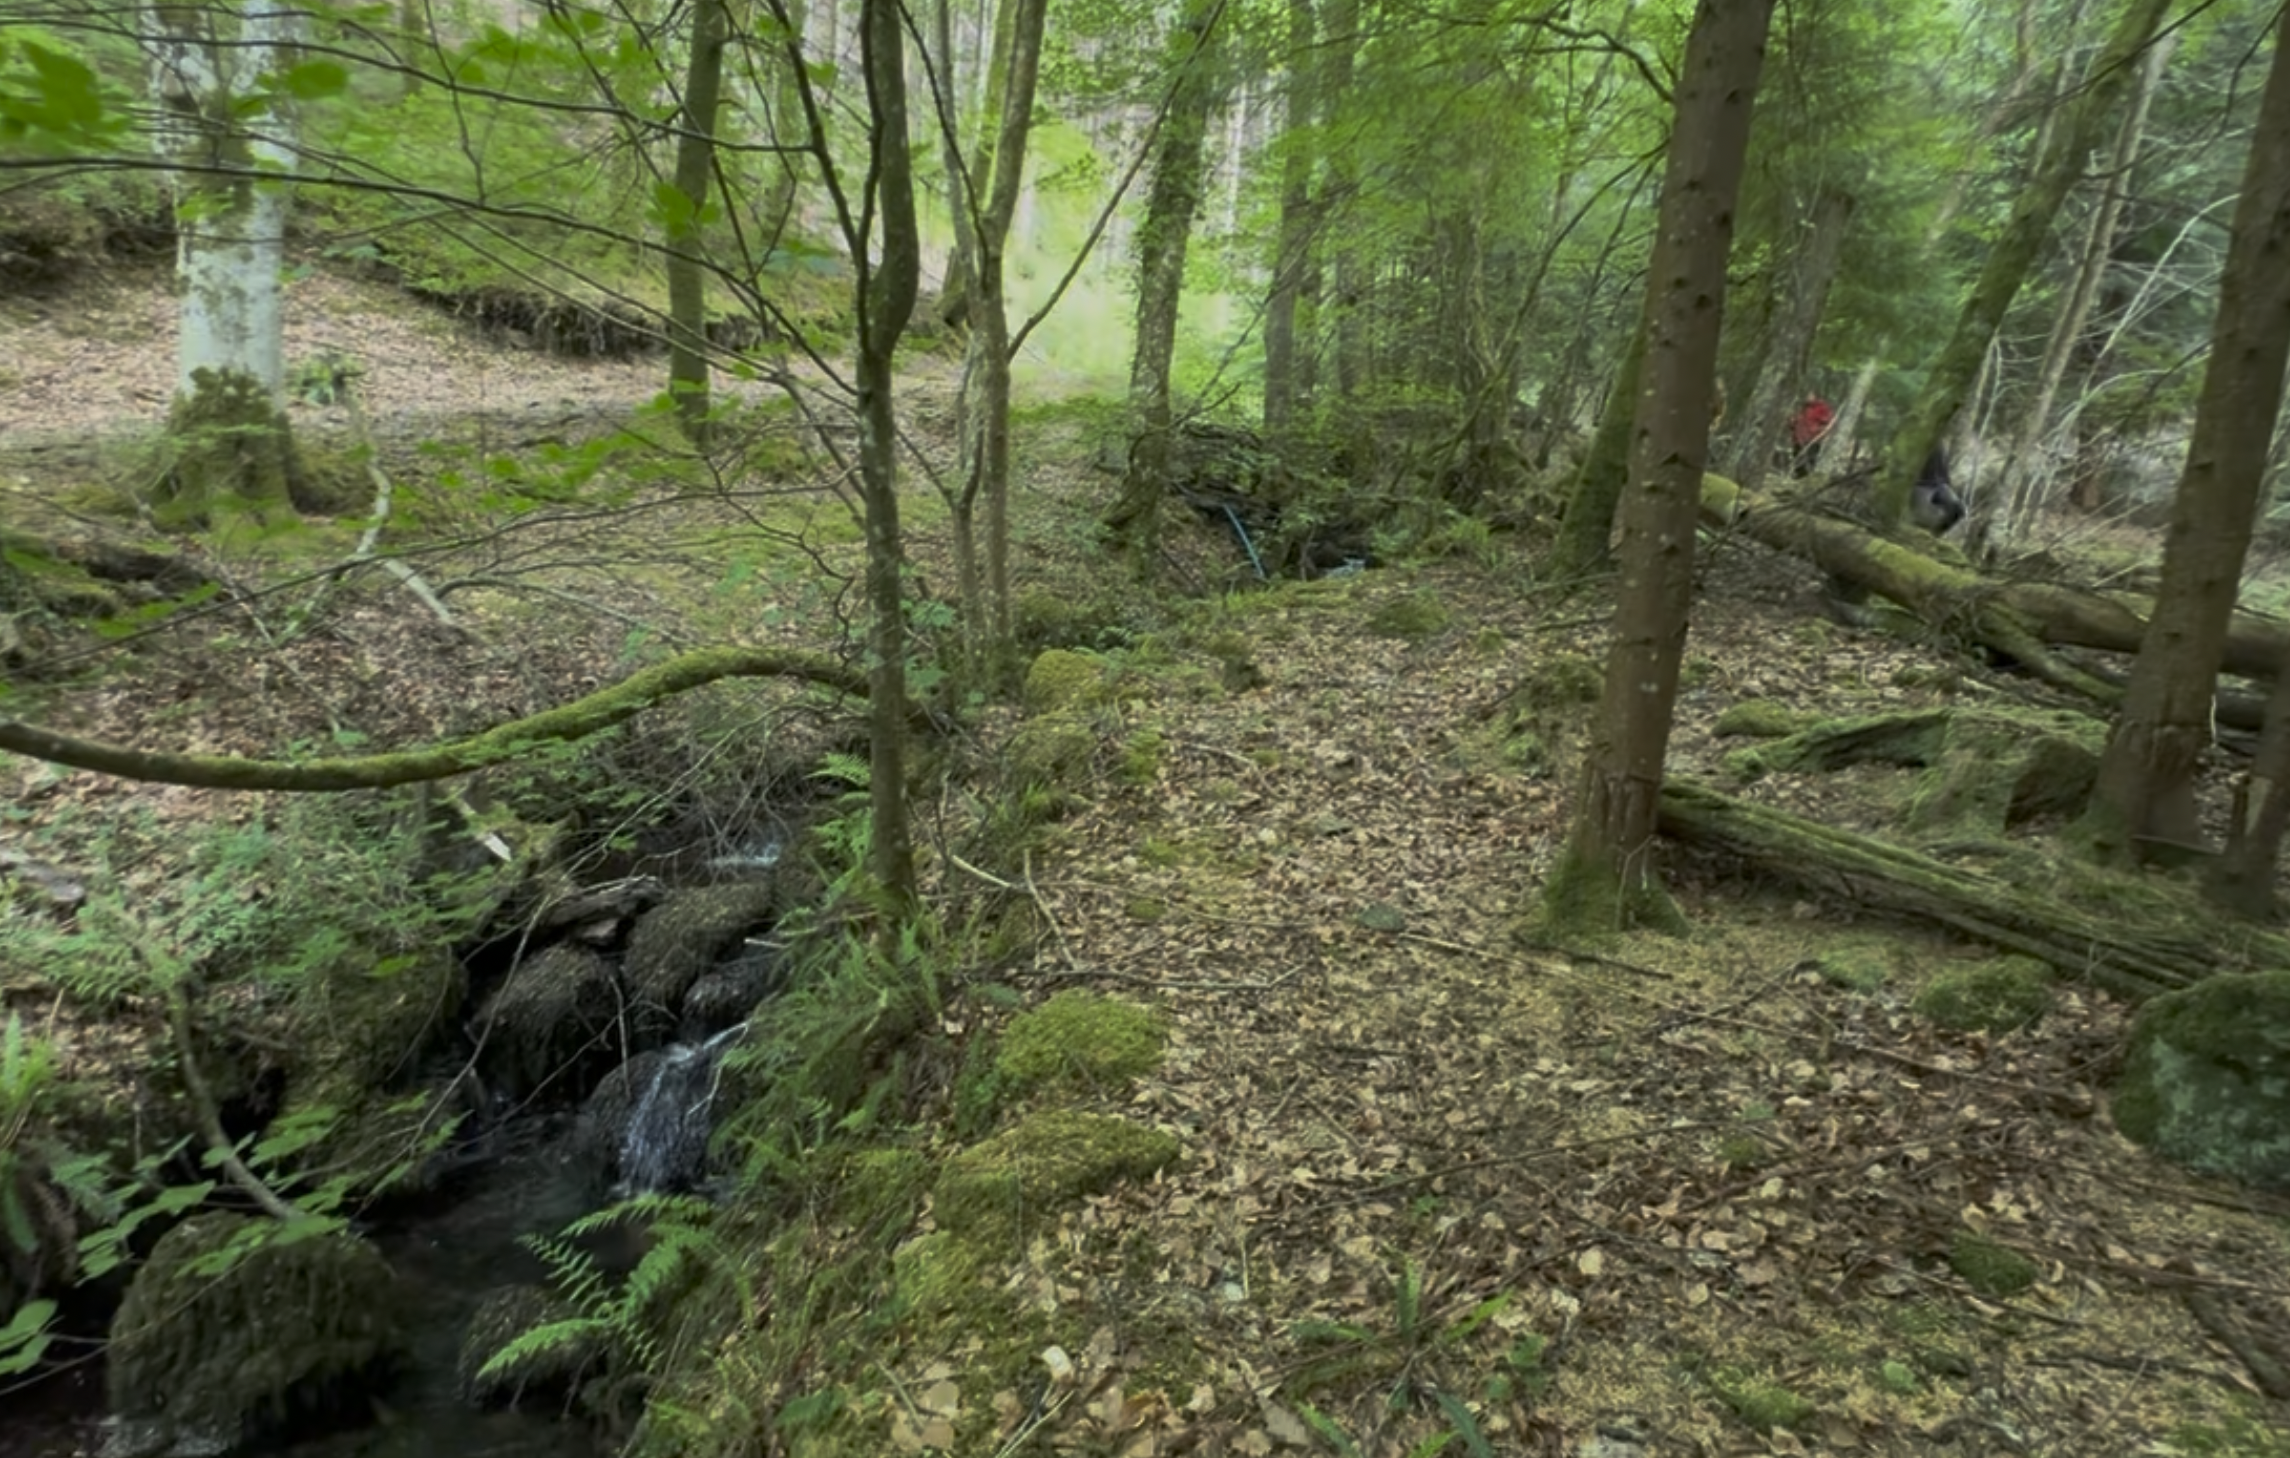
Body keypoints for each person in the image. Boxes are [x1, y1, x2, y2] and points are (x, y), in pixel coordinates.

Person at [1789, 397, 1835, 476]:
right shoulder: (1802, 408)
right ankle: (1797, 477)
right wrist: (1793, 423)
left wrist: (1817, 432)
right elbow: (1795, 423)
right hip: (1798, 439)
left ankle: (1805, 478)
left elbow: (1827, 424)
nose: (1807, 396)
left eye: (1810, 394)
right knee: (1797, 459)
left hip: (1812, 440)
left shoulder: (1822, 408)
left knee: (1809, 460)